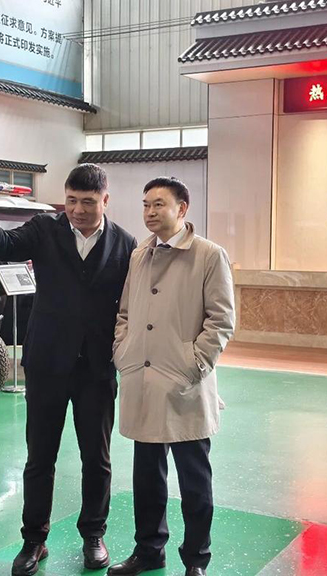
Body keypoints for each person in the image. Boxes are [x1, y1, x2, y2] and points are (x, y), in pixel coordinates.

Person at [0, 164, 137, 576]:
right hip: (48, 363)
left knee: (97, 459)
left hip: (97, 369)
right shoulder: (44, 229)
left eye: (88, 202)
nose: (78, 210)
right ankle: (34, 540)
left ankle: (93, 535)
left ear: (105, 200)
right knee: (40, 457)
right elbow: (5, 245)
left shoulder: (125, 244)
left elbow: (134, 303)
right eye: (71, 201)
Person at [108, 177, 235, 576]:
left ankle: (196, 559)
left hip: (185, 384)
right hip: (142, 380)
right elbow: (125, 313)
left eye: (159, 204)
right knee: (147, 478)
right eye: (146, 204)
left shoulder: (208, 255)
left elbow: (221, 320)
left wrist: (192, 365)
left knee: (195, 481)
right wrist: (123, 351)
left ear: (182, 208)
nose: (149, 212)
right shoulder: (139, 254)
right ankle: (149, 550)